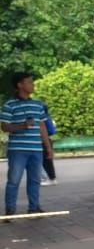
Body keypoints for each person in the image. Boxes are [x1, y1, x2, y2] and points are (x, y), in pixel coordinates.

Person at [2, 72, 50, 215]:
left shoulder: (38, 104)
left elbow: (42, 126)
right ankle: (10, 210)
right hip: (18, 149)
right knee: (14, 180)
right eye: (29, 82)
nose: (32, 85)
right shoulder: (9, 105)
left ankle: (34, 207)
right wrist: (22, 126)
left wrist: (47, 147)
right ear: (20, 85)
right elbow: (4, 127)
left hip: (36, 148)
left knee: (35, 180)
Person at [38, 100, 56, 186]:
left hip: (41, 140)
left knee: (40, 160)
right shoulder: (49, 118)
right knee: (48, 160)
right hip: (48, 139)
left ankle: (45, 178)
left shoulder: (40, 119)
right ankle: (52, 178)